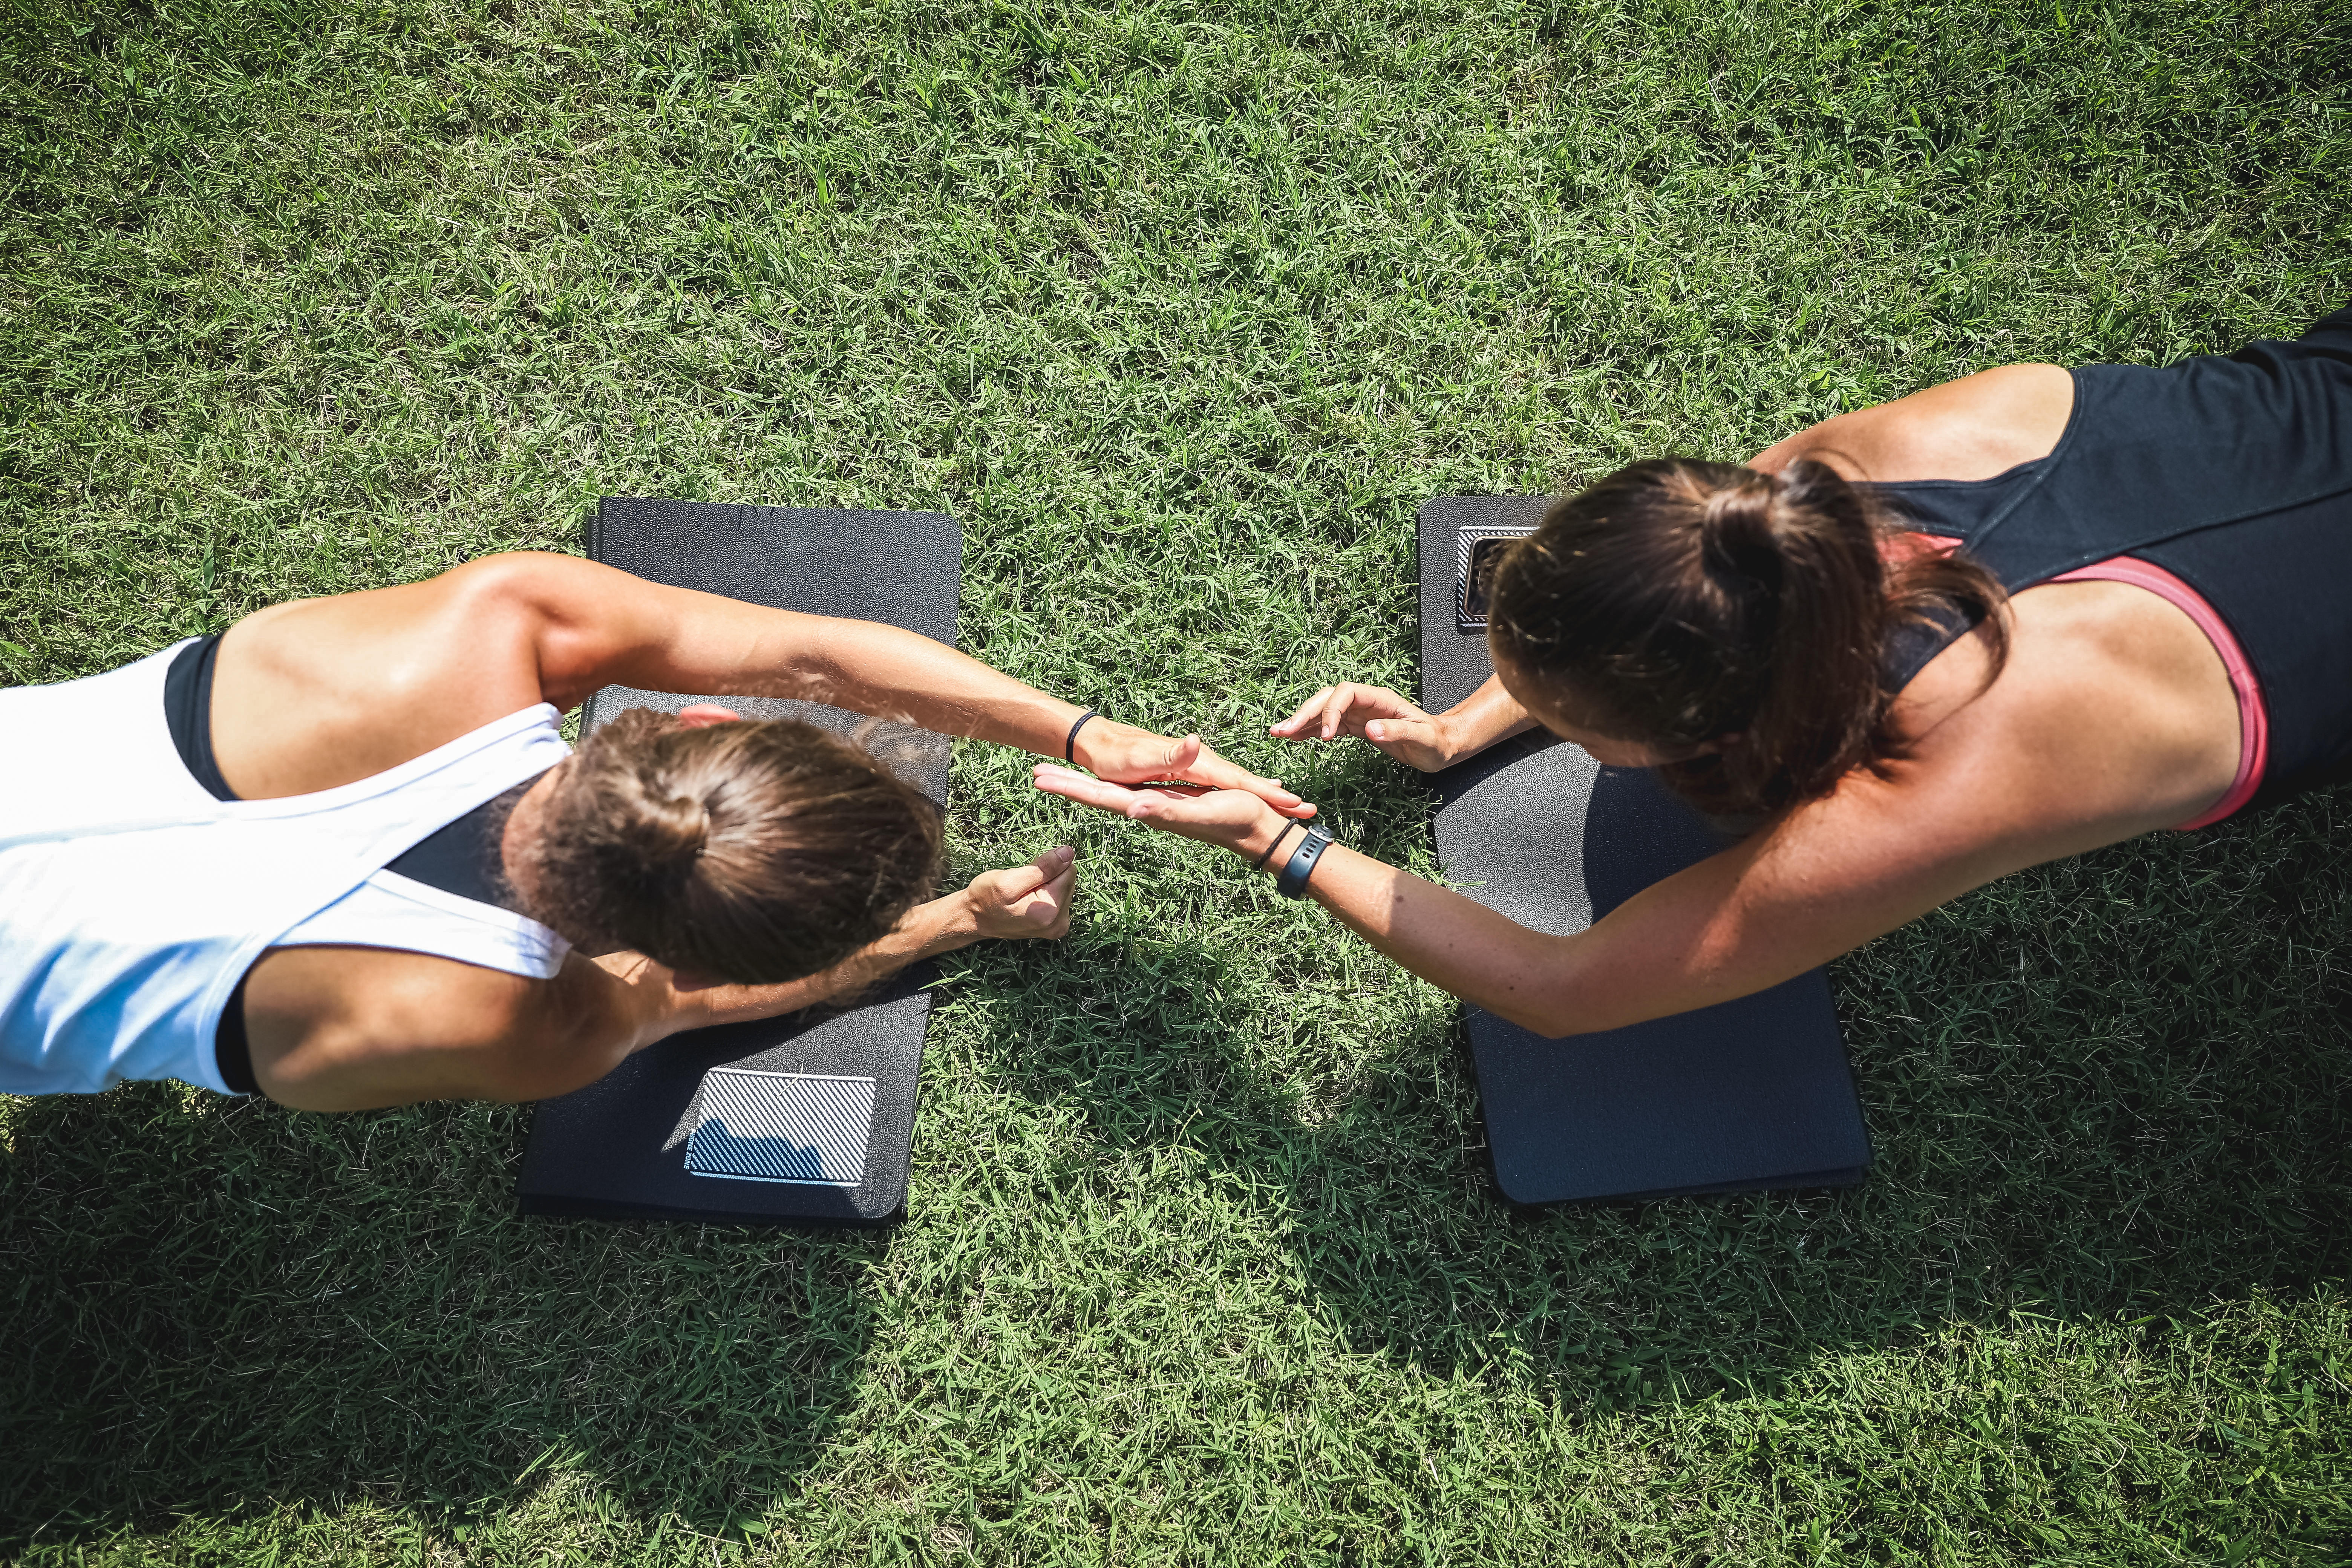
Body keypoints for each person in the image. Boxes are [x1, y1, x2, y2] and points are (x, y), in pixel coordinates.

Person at [1037, 305, 2352, 1038]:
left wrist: (1284, 845)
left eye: (1572, 724)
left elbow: (1565, 991)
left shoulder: (1982, 755)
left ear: (1724, 730)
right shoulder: (1794, 494)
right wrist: (1461, 729)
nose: (1536, 723)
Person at [0, 553, 1312, 1110]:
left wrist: (1084, 734)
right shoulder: (495, 1023)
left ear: (684, 714)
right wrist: (958, 919)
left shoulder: (479, 632)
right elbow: (679, 1007)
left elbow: (805, 653)